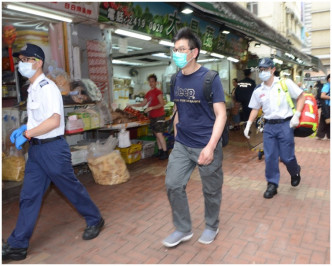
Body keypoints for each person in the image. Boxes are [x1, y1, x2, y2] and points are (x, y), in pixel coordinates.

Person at [3, 44, 104, 261]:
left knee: (71, 189)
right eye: (20, 59)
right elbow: (40, 118)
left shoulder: (47, 87)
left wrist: (28, 133)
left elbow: (54, 121)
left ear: (37, 62)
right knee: (29, 196)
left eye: (25, 59)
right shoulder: (33, 89)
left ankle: (95, 219)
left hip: (52, 149)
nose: (21, 64)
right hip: (38, 151)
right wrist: (26, 128)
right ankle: (18, 245)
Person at [162, 27, 227, 247]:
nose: (177, 53)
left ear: (194, 52)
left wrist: (210, 147)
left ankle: (211, 225)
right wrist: (177, 135)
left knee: (211, 189)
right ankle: (183, 228)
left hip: (206, 143)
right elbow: (178, 109)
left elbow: (221, 114)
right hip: (183, 143)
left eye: (181, 49)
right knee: (172, 183)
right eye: (175, 49)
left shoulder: (210, 78)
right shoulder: (175, 79)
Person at [244, 57, 305, 199]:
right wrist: (248, 124)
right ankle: (272, 184)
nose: (263, 72)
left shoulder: (285, 83)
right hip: (269, 126)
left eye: (266, 69)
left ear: (273, 69)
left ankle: (295, 171)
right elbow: (255, 108)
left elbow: (301, 97)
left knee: (286, 157)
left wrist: (297, 114)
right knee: (270, 157)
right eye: (261, 70)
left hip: (285, 124)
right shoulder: (258, 90)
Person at [128, 74, 168, 160]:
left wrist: (151, 108)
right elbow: (142, 104)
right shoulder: (148, 93)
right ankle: (160, 151)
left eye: (152, 81)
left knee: (159, 134)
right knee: (156, 135)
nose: (151, 83)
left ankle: (165, 152)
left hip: (159, 115)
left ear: (156, 82)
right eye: (150, 81)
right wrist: (132, 105)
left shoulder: (158, 92)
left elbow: (162, 104)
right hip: (152, 116)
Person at [316, 74, 330, 140]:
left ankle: (326, 135)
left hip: (328, 106)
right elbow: (322, 96)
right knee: (324, 120)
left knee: (327, 121)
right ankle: (320, 135)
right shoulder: (327, 86)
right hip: (327, 106)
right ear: (328, 79)